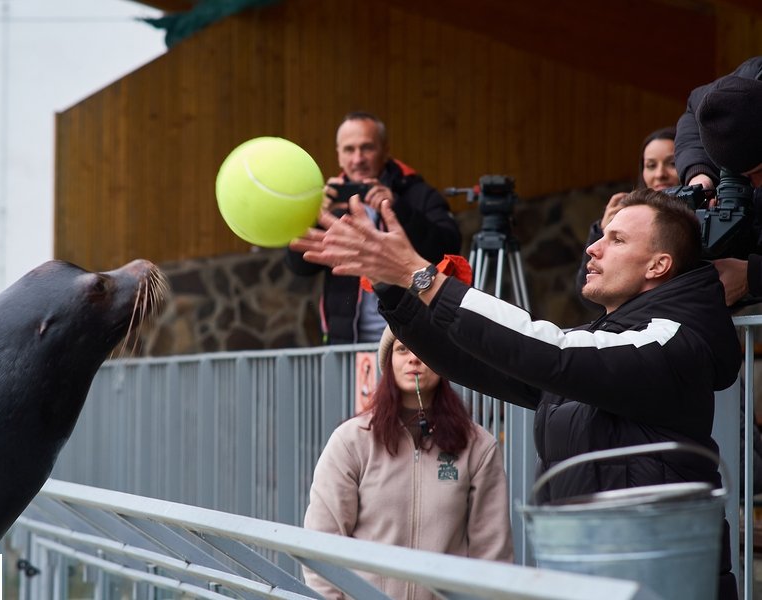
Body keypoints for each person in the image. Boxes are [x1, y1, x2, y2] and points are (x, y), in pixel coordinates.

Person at [289, 188, 742, 599]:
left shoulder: (673, 340)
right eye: (601, 236)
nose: (593, 247)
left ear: (658, 265)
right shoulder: (607, 340)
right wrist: (395, 289)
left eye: (617, 240)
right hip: (589, 575)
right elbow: (480, 361)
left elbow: (549, 350)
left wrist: (422, 276)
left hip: (661, 583)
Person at [302, 326, 513, 599]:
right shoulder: (351, 441)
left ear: (441, 360)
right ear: (388, 361)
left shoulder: (478, 446)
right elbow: (322, 541)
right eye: (402, 349)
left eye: (424, 347)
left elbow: (492, 554)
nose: (414, 358)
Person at [285, 111, 461, 345]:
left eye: (367, 148)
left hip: (411, 344)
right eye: (349, 149)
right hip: (348, 345)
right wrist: (317, 216)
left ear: (385, 150)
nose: (358, 159)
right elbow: (297, 267)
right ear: (338, 155)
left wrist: (398, 208)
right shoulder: (327, 203)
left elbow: (449, 246)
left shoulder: (416, 194)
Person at [674, 57, 762, 306]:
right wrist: (699, 174)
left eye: (758, 171)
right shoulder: (737, 89)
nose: (754, 184)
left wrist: (753, 275)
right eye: (743, 175)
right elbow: (695, 110)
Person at [576, 127, 679, 310]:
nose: (660, 174)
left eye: (672, 163)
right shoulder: (625, 213)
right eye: (651, 165)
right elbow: (588, 296)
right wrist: (602, 231)